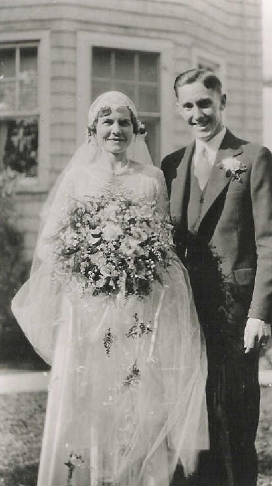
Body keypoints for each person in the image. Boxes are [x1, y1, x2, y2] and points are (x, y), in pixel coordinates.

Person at [11, 91, 208, 486]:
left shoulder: (150, 179)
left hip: (137, 309)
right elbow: (52, 245)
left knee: (136, 390)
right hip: (85, 311)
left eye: (123, 123)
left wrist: (138, 264)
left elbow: (162, 245)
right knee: (87, 394)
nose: (116, 130)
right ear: (93, 130)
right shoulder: (77, 180)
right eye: (107, 122)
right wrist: (88, 265)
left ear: (136, 129)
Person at [161, 68, 272, 486]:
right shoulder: (172, 165)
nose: (197, 114)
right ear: (179, 108)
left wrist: (259, 314)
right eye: (188, 106)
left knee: (233, 421)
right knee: (189, 425)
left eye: (204, 104)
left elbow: (271, 242)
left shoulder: (253, 158)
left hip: (235, 316)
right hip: (185, 315)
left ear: (222, 102)